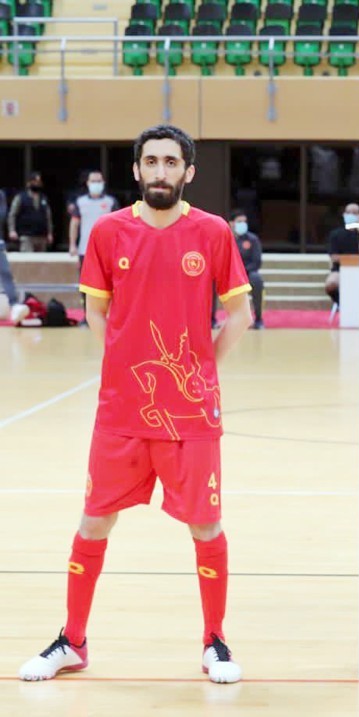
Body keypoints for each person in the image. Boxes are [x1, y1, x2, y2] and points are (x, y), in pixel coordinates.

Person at [18, 124, 253, 684]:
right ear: (136, 169)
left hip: (190, 416)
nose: (160, 171)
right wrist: (123, 365)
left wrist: (200, 370)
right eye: (151, 161)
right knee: (93, 521)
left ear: (188, 172)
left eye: (171, 162)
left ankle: (215, 641)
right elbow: (96, 311)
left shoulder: (212, 232)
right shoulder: (108, 231)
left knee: (206, 526)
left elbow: (240, 314)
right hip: (122, 412)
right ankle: (73, 641)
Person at [68, 170, 120, 324]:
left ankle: (111, 316)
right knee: (87, 286)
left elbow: (119, 226)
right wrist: (72, 245)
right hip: (85, 250)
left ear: (103, 183)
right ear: (87, 183)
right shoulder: (80, 202)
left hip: (108, 250)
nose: (96, 184)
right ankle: (87, 316)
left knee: (112, 285)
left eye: (99, 181)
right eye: (93, 181)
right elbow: (74, 224)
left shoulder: (111, 202)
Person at [230, 209, 264, 329]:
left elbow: (256, 262)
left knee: (257, 279)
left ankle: (258, 319)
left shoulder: (252, 239)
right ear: (231, 223)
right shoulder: (225, 238)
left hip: (246, 274)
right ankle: (211, 319)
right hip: (228, 274)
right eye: (239, 222)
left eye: (244, 222)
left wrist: (241, 272)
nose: (243, 224)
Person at [324, 203, 359, 308]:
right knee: (331, 284)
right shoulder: (335, 234)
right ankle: (342, 304)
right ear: (344, 214)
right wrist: (351, 260)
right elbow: (334, 257)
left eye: (354, 213)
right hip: (340, 270)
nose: (351, 215)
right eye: (348, 212)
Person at [7, 172, 54, 252]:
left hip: (42, 236)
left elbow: (48, 217)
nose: (37, 184)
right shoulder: (20, 197)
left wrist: (50, 233)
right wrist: (12, 230)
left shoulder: (43, 198)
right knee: (27, 258)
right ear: (29, 183)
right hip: (26, 236)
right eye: (35, 181)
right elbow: (12, 215)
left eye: (39, 182)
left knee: (42, 259)